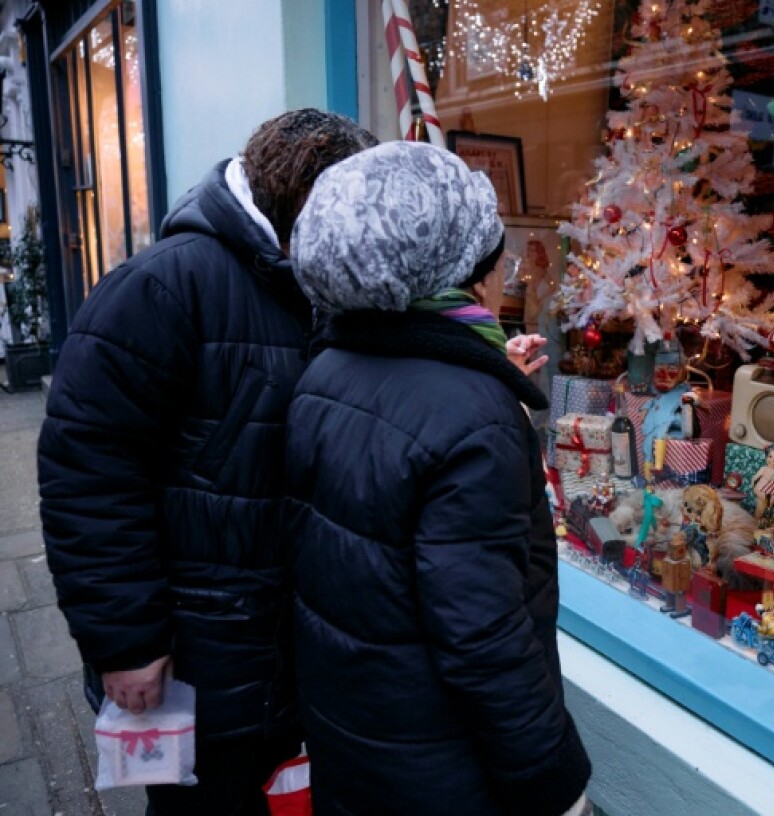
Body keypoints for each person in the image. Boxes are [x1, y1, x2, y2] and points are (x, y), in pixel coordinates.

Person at [37, 109, 379, 815]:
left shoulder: (324, 284)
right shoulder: (162, 288)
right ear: (300, 207)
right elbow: (88, 479)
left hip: (294, 654)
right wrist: (125, 643)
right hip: (200, 657)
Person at [285, 141, 592, 815]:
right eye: (496, 255)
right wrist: (554, 778)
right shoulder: (470, 413)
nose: (504, 272)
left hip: (354, 730)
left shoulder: (325, 371)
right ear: (464, 271)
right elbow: (482, 633)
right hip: (440, 765)